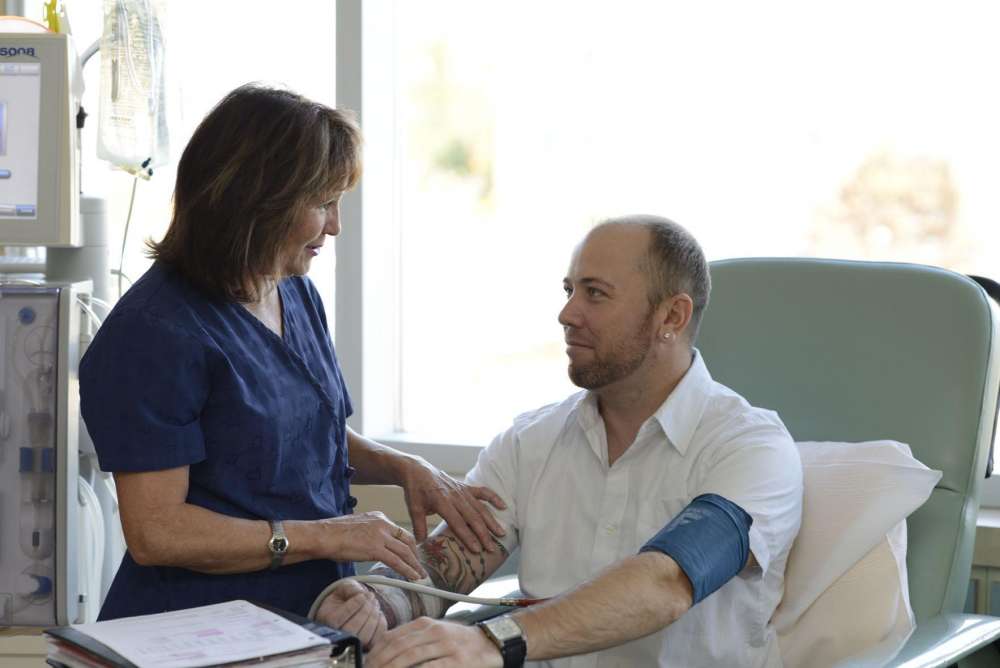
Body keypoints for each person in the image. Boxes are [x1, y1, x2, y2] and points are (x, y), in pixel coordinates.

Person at [78, 84, 506, 641]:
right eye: (323, 204)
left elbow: (296, 431)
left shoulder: (290, 292)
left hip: (306, 619)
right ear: (257, 201)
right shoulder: (154, 334)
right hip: (193, 630)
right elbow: (158, 532)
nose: (336, 226)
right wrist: (331, 536)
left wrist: (404, 467)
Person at [316, 216, 803, 667]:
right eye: (570, 290)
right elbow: (448, 566)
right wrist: (379, 602)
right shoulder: (532, 441)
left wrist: (492, 639)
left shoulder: (750, 448)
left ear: (671, 317)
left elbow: (667, 581)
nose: (567, 314)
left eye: (595, 294)